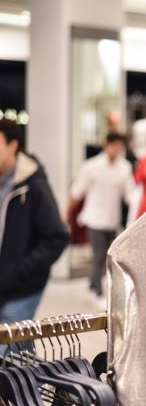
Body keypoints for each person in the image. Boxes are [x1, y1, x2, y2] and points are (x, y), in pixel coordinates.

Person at [0, 120, 69, 353]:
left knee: (6, 352)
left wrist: (21, 270)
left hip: (22, 287)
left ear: (13, 145)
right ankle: (34, 385)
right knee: (20, 353)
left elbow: (56, 238)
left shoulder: (33, 186)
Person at [66, 132, 135, 307]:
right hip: (94, 218)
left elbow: (130, 193)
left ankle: (94, 285)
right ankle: (96, 290)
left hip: (112, 219)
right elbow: (77, 191)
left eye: (120, 146)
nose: (116, 149)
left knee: (111, 256)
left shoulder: (124, 167)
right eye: (114, 145)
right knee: (98, 256)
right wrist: (66, 212)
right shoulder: (92, 166)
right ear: (107, 145)